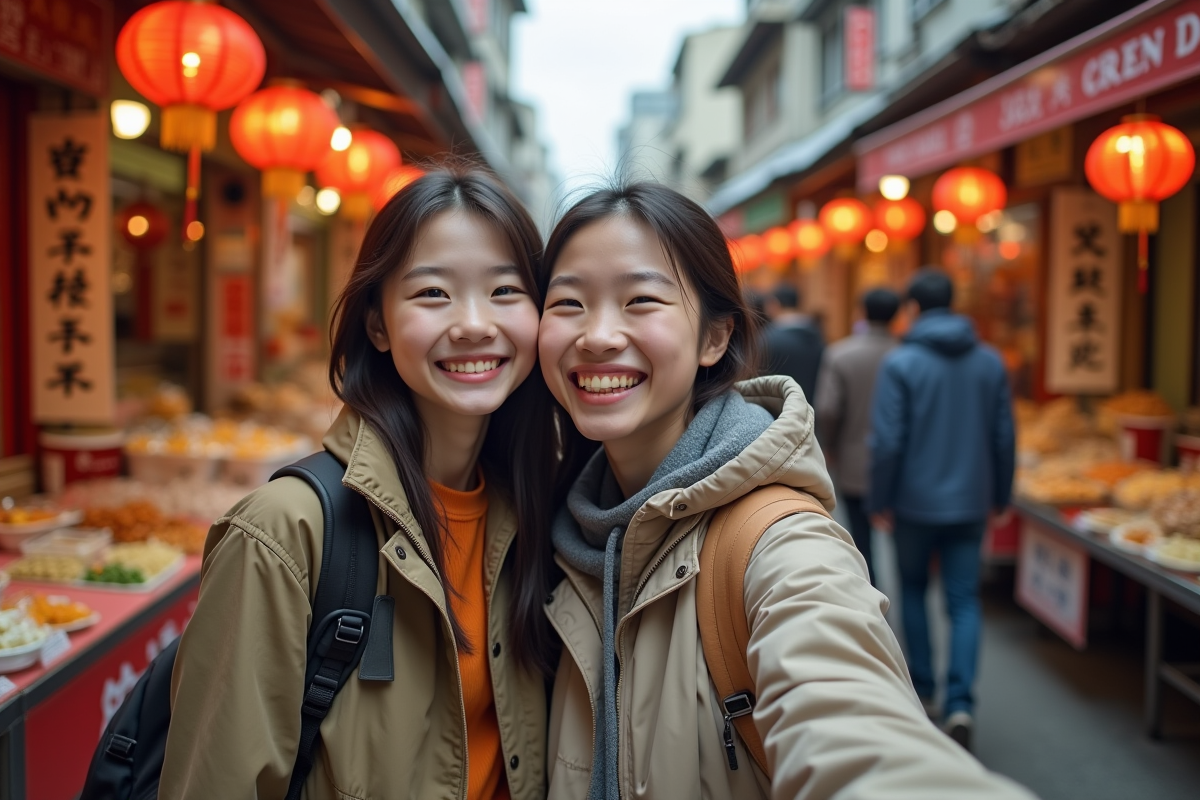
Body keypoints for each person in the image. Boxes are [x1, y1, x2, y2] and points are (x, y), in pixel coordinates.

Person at [538, 183, 1034, 800]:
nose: (599, 335)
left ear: (715, 339)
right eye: (568, 303)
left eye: (641, 300)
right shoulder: (564, 523)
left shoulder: (780, 544)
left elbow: (849, 721)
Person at [160, 166, 569, 800]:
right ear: (377, 325)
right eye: (432, 293)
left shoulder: (542, 512)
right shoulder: (285, 532)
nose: (472, 324)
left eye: (505, 291)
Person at [869, 268, 1016, 753]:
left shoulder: (902, 362)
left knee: (912, 588)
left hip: (913, 500)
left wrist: (880, 498)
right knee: (964, 600)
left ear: (913, 307)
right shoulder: (990, 362)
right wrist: (1001, 494)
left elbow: (888, 441)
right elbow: (1003, 435)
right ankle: (961, 703)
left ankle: (925, 691)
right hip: (971, 500)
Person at [813, 287, 900, 585]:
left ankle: (873, 602)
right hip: (903, 463)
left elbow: (827, 408)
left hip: (854, 458)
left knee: (861, 544)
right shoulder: (906, 353)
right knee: (904, 549)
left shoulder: (841, 354)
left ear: (862, 312)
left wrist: (831, 445)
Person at [761, 283, 824, 400]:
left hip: (779, 412)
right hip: (810, 411)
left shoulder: (766, 339)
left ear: (774, 304)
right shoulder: (817, 337)